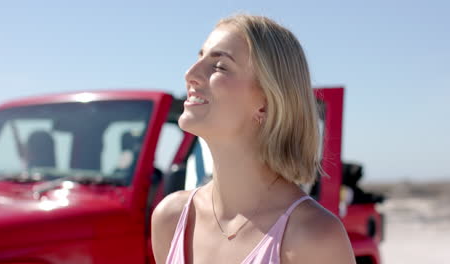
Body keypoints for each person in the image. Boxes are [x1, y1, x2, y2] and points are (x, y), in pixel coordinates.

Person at [152, 14, 356, 264]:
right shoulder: (170, 219)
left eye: (219, 66)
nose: (190, 74)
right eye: (199, 58)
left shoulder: (314, 238)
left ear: (266, 102)